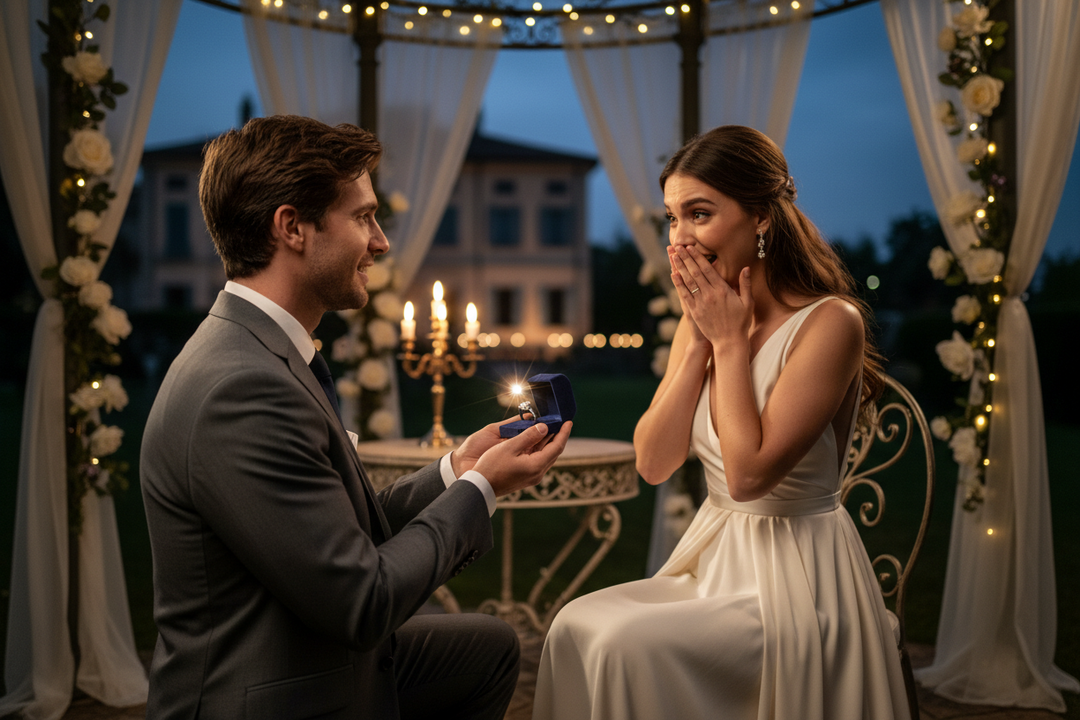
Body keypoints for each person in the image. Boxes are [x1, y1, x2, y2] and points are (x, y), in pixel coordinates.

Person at [140, 114, 572, 720]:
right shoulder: (241, 388)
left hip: (309, 652)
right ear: (293, 227)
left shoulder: (264, 350)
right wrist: (481, 488)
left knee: (488, 648)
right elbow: (363, 601)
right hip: (268, 695)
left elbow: (338, 533)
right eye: (364, 217)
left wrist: (456, 470)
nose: (382, 242)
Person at [532, 125, 908, 720]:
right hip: (715, 558)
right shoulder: (703, 318)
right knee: (575, 625)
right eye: (672, 218)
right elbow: (653, 464)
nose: (679, 238)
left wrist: (730, 344)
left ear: (760, 216)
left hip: (801, 576)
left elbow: (748, 478)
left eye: (699, 214)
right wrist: (699, 346)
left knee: (625, 645)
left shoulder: (831, 323)